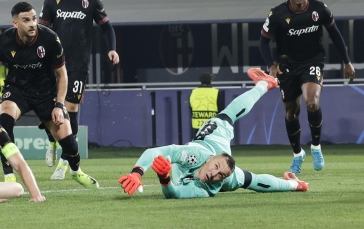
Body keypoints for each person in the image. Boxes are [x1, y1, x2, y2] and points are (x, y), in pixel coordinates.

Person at [118, 68, 310, 199]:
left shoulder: (209, 188)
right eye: (216, 166)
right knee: (226, 116)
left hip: (208, 161)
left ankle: (296, 184)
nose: (214, 174)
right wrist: (137, 173)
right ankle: (265, 84)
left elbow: (174, 194)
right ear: (210, 159)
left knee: (252, 181)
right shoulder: (196, 155)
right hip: (212, 141)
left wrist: (165, 179)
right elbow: (154, 152)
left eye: (220, 174)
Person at [0, 1, 100, 189]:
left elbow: (62, 75)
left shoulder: (49, 39)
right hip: (17, 91)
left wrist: (59, 104)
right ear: (15, 24)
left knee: (69, 140)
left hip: (45, 93)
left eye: (34, 19)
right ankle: (9, 176)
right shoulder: (4, 41)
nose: (32, 23)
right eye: (26, 20)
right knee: (4, 123)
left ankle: (76, 171)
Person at [258, 0, 355, 175]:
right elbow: (262, 42)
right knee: (291, 113)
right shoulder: (277, 14)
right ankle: (297, 154)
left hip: (313, 62)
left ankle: (316, 147)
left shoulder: (320, 9)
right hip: (287, 66)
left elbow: (336, 35)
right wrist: (272, 65)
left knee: (312, 102)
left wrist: (347, 61)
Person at [39, 0, 119, 179]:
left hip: (78, 65)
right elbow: (42, 32)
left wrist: (112, 49)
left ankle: (65, 160)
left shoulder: (91, 0)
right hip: (52, 64)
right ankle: (52, 141)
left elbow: (107, 28)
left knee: (70, 109)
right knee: (49, 109)